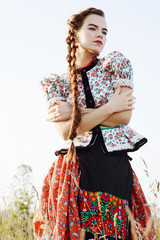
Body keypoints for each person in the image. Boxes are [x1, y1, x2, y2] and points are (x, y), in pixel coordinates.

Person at [33, 8, 155, 240]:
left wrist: (75, 112)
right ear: (75, 34)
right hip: (75, 167)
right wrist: (109, 107)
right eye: (92, 28)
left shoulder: (116, 64)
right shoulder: (57, 84)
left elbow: (124, 118)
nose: (101, 34)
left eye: (105, 31)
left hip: (113, 165)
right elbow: (67, 131)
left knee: (115, 232)